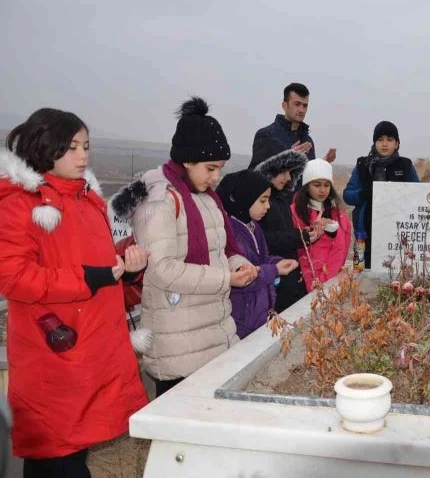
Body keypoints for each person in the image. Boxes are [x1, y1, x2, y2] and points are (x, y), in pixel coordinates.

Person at [0, 108, 148, 477]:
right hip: (53, 352)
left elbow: (96, 267)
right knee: (54, 455)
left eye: (86, 146)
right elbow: (12, 277)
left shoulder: (87, 201)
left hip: (90, 349)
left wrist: (125, 268)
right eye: (72, 147)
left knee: (74, 453)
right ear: (44, 147)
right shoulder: (20, 204)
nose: (83, 156)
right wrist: (88, 278)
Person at [112, 97, 259, 397]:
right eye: (211, 168)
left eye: (220, 168)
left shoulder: (205, 196)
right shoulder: (161, 200)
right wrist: (225, 279)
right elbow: (162, 270)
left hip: (212, 333)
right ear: (187, 161)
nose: (216, 177)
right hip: (177, 343)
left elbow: (221, 251)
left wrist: (237, 265)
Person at [217, 170, 299, 338]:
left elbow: (261, 259)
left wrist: (279, 261)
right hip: (242, 319)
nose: (268, 206)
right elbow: (248, 277)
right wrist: (275, 270)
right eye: (263, 200)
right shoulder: (232, 233)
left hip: (258, 313)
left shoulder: (254, 227)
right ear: (245, 198)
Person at [343, 121, 419, 270]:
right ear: (374, 142)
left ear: (397, 143)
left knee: (397, 276)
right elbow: (347, 196)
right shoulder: (362, 165)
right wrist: (363, 194)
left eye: (389, 140)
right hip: (365, 232)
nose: (385, 144)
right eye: (380, 139)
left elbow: (417, 195)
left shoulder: (406, 165)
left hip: (398, 232)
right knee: (365, 277)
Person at [253, 149, 310, 312]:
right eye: (283, 171)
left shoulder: (280, 198)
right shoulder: (259, 202)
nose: (288, 178)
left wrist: (304, 234)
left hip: (288, 276)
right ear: (269, 169)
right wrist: (298, 236)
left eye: (291, 172)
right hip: (272, 281)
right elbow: (262, 240)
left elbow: (285, 231)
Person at [292, 159, 352, 289]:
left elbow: (344, 247)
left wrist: (333, 231)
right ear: (307, 186)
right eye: (317, 185)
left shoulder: (338, 214)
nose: (322, 190)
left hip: (332, 278)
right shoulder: (296, 212)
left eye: (326, 185)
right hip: (307, 280)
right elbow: (299, 250)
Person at [249, 82, 336, 168]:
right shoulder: (266, 135)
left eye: (305, 105)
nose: (302, 110)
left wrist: (324, 162)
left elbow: (308, 177)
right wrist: (287, 159)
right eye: (297, 104)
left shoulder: (307, 141)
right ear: (284, 106)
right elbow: (255, 176)